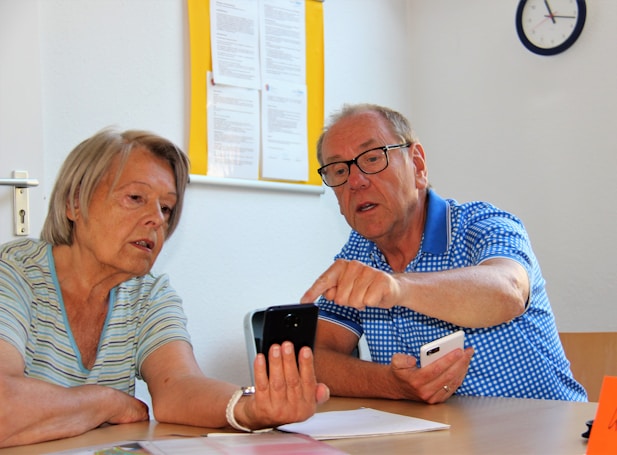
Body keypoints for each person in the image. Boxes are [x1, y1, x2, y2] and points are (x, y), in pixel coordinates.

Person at [0, 128, 329, 448]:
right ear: (74, 202)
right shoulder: (14, 273)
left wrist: (249, 408)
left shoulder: (150, 292)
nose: (156, 219)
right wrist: (106, 402)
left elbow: (180, 387)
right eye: (135, 197)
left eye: (166, 208)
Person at [301, 103, 587, 403]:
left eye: (373, 158)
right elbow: (316, 359)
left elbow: (508, 290)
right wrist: (392, 385)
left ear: (418, 165)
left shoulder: (483, 225)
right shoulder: (360, 252)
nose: (355, 182)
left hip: (548, 436)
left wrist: (397, 287)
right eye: (338, 170)